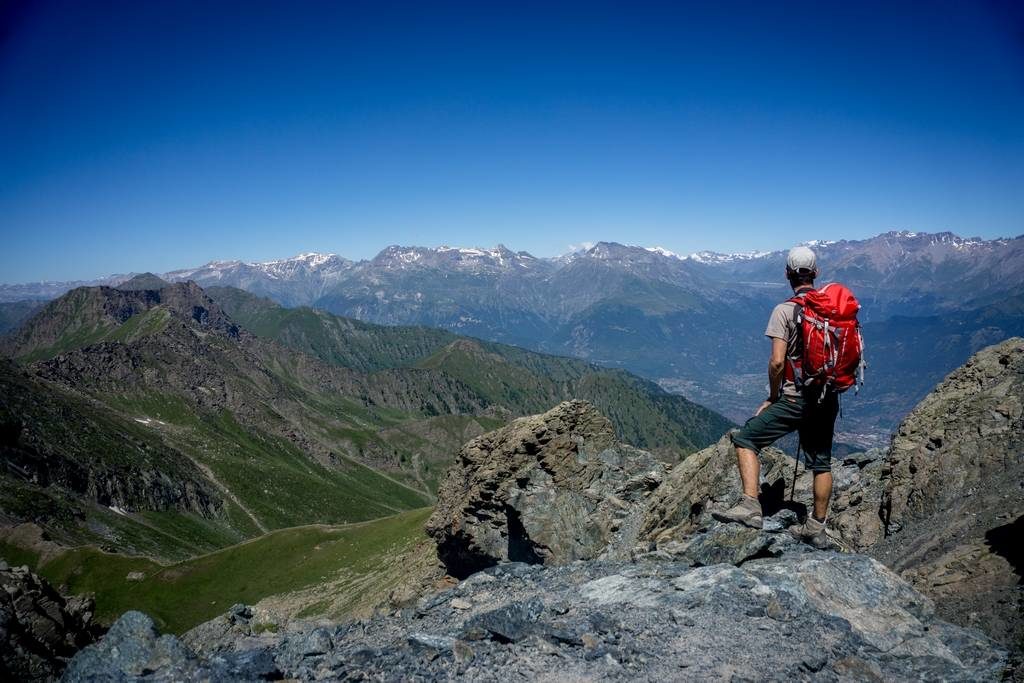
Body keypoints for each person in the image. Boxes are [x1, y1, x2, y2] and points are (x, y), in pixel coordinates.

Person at [712, 245, 839, 549]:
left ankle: (750, 507)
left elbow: (777, 362)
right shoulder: (833, 311)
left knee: (745, 439)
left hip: (795, 399)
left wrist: (773, 396)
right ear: (816, 274)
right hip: (827, 398)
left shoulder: (784, 311)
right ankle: (817, 528)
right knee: (821, 464)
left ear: (787, 274)